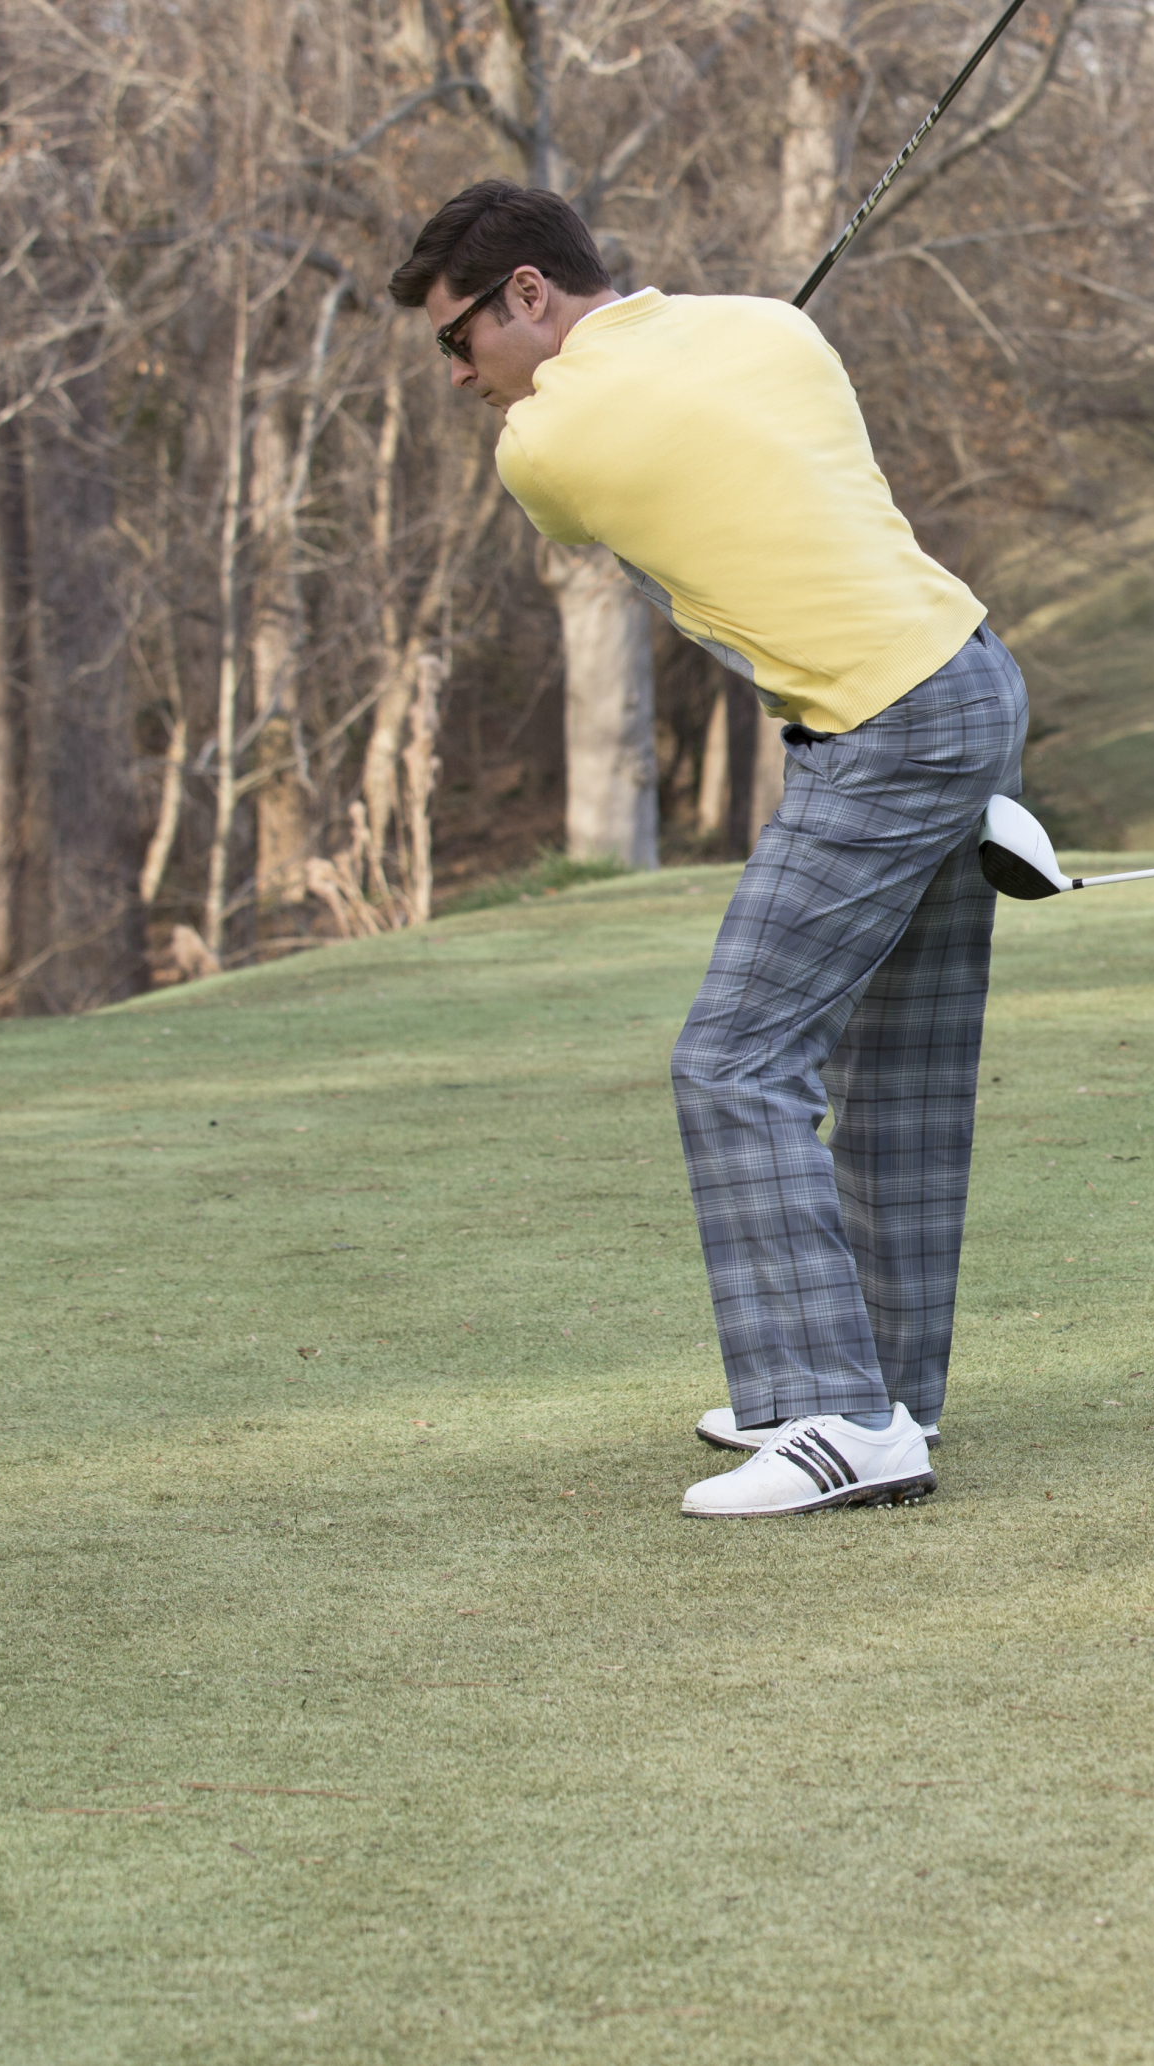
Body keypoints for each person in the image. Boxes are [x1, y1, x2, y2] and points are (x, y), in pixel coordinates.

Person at [390, 181, 1028, 1522]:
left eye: (460, 341)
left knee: (734, 1059)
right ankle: (884, 1387)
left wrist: (599, 400)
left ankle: (839, 1413)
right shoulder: (768, 332)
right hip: (970, 680)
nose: (462, 378)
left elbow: (589, 485)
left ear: (525, 296)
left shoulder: (542, 452)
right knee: (896, 1074)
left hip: (886, 725)